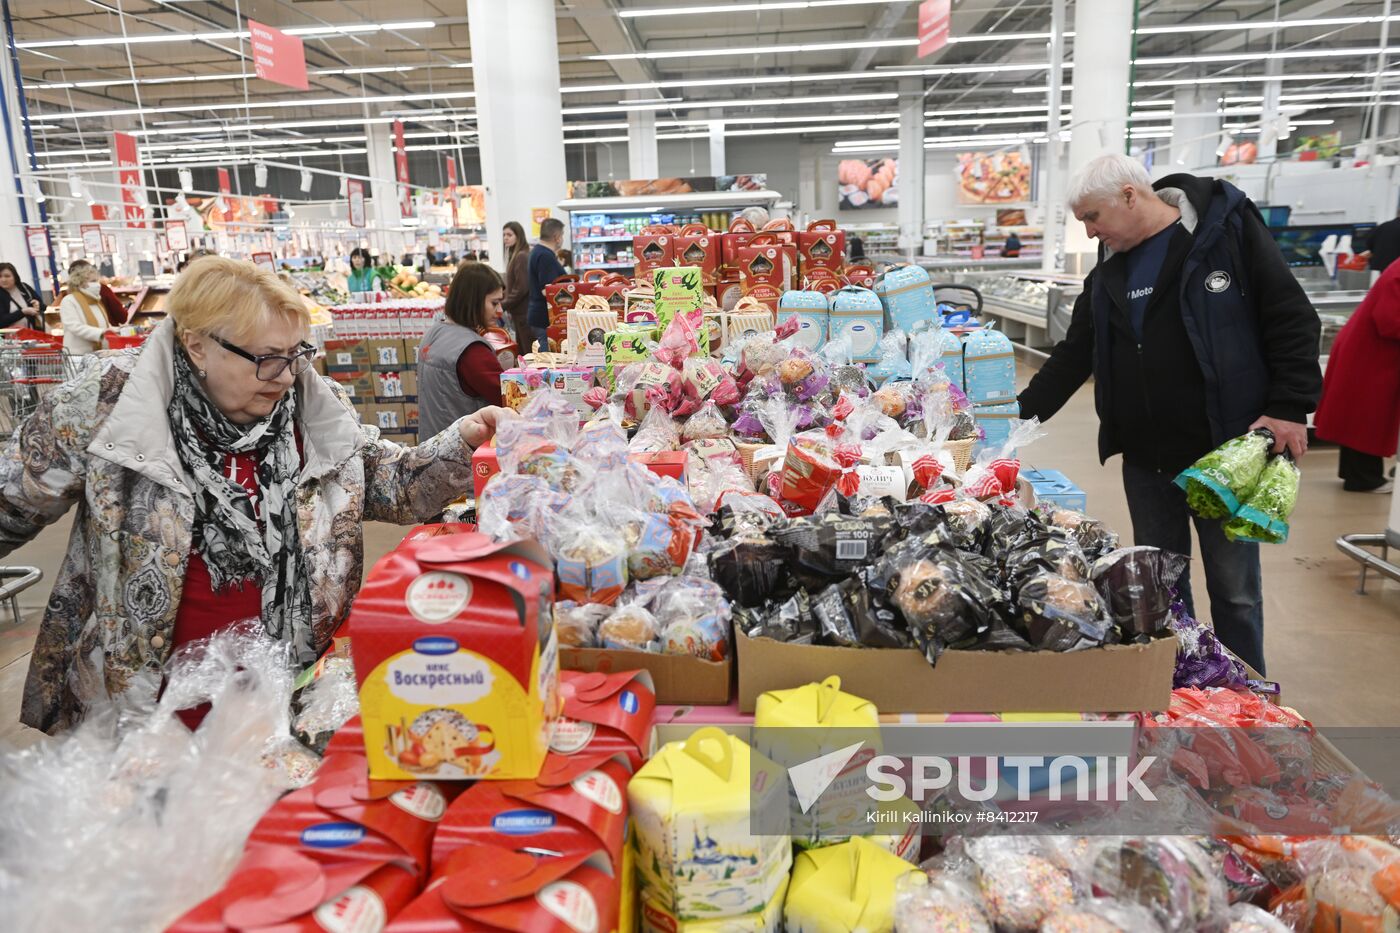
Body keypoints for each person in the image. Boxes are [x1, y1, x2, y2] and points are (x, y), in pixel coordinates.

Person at [0, 256, 509, 734]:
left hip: (293, 698)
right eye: (267, 359)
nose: (287, 376)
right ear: (197, 344)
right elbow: (10, 505)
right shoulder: (106, 403)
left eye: (295, 355)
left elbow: (385, 481)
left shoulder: (309, 403)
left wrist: (463, 442)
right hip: (150, 714)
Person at [1017, 153, 1321, 675]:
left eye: (1093, 217)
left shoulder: (1224, 233)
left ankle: (1246, 697)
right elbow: (1074, 355)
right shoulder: (1109, 269)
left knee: (1236, 591)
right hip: (1146, 460)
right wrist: (1011, 419)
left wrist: (1290, 408)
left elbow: (1290, 316)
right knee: (1162, 590)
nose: (1090, 234)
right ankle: (1182, 690)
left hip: (1222, 455)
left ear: (1131, 196)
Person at [1314, 261, 1400, 494]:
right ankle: (1364, 479)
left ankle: (1357, 474)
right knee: (1367, 418)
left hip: (1368, 352)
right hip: (1372, 355)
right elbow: (1389, 321)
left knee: (1357, 419)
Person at [419, 261, 507, 437]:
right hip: (463, 450)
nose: (500, 311)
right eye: (494, 303)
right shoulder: (472, 351)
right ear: (473, 301)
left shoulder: (434, 332)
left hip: (432, 442)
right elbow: (507, 397)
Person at [527, 217, 567, 354]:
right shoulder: (545, 256)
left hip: (538, 316)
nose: (562, 239)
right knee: (546, 359)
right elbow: (547, 290)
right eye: (562, 235)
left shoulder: (538, 252)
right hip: (544, 319)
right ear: (556, 237)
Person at [57, 260, 109, 354]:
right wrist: (101, 333)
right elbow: (75, 326)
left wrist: (116, 330)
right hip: (78, 357)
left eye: (97, 281)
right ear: (80, 282)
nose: (97, 284)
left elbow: (103, 324)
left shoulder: (95, 301)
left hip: (98, 355)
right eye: (93, 281)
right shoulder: (69, 301)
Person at [501, 221, 531, 344]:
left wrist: (504, 304)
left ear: (518, 236)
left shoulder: (521, 256)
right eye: (504, 235)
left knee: (526, 350)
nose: (505, 238)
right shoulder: (516, 255)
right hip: (519, 312)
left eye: (509, 235)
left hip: (523, 313)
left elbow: (522, 287)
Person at [0, 262, 43, 330]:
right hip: (10, 338)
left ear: (15, 276)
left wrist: (38, 304)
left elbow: (43, 306)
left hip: (33, 334)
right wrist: (23, 312)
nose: (3, 280)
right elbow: (2, 321)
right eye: (0, 276)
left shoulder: (24, 288)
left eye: (7, 276)